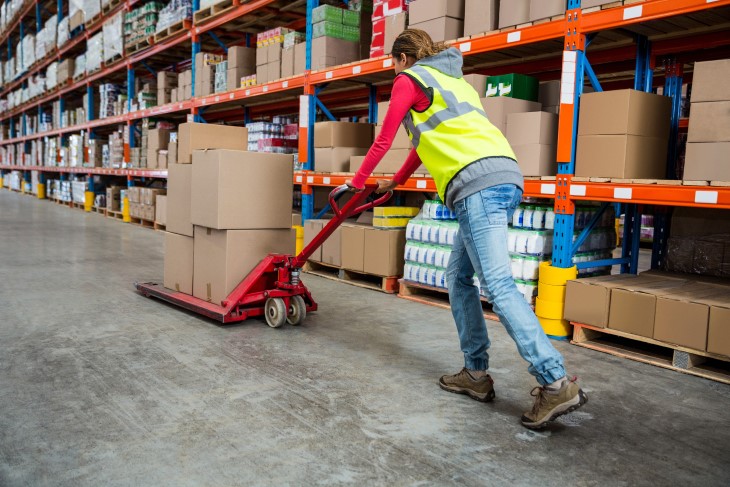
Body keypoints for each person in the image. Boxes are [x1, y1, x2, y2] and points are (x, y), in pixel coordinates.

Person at [346, 29, 587, 429]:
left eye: (392, 63)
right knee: (458, 278)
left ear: (402, 58)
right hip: (502, 176)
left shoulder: (409, 79)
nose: (392, 71)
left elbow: (384, 138)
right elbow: (425, 144)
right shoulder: (453, 82)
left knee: (498, 285)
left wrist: (356, 184)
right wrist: (395, 183)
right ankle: (476, 375)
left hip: (477, 188)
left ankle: (555, 381)